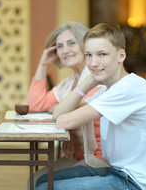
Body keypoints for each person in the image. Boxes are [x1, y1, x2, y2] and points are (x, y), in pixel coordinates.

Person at [36, 23, 146, 190]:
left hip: (133, 181)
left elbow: (64, 121)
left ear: (121, 55)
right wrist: (86, 83)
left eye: (102, 54)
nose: (93, 63)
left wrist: (89, 80)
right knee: (41, 182)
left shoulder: (129, 87)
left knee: (45, 187)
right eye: (88, 55)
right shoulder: (105, 88)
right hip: (115, 171)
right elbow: (59, 113)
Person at [27, 21, 108, 188]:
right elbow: (35, 104)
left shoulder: (98, 78)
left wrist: (66, 120)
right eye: (59, 46)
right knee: (34, 180)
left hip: (99, 160)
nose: (65, 50)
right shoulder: (68, 83)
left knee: (40, 183)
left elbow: (71, 114)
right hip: (78, 156)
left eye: (71, 43)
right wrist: (43, 63)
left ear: (86, 45)